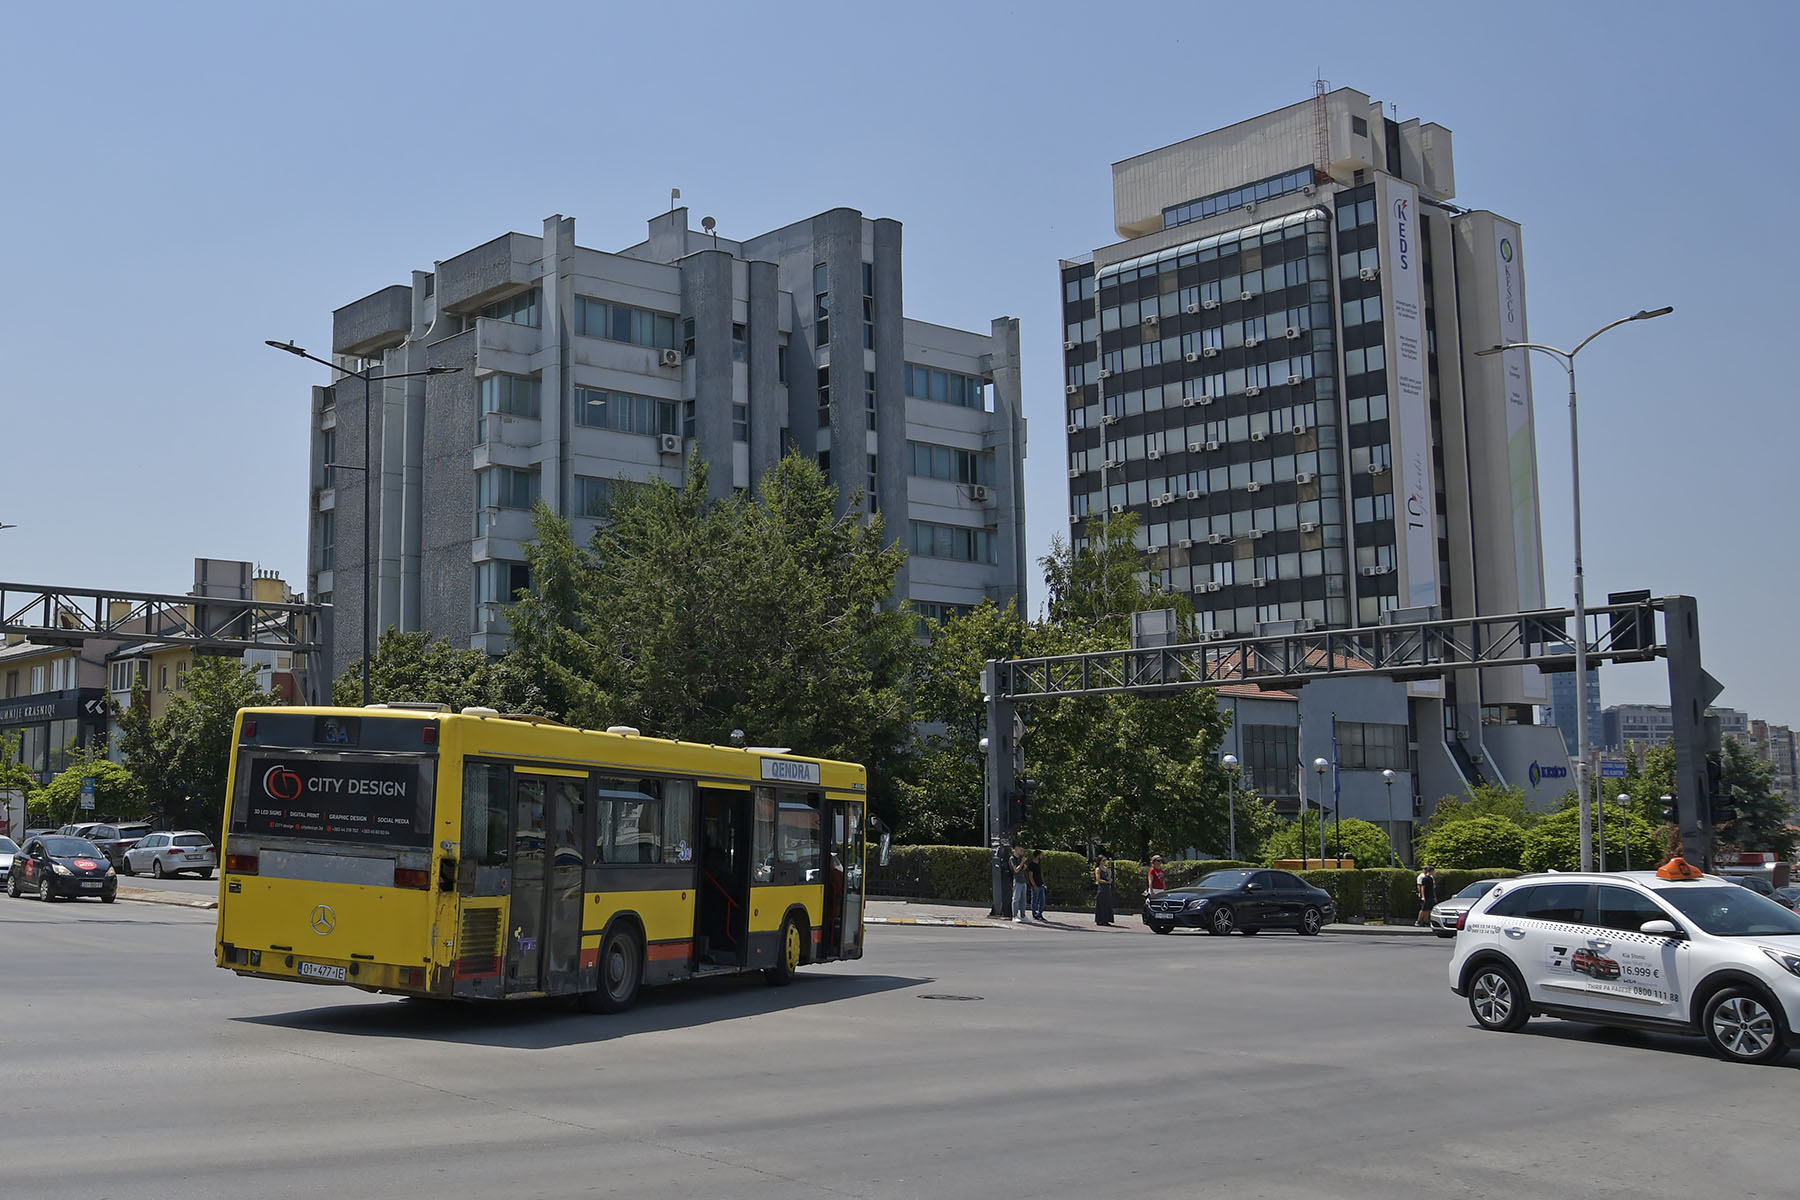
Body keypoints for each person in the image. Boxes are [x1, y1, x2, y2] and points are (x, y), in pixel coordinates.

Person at [1010, 845, 1030, 923]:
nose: (1022, 851)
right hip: (1017, 881)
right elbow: (1016, 870)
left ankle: (1023, 915)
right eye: (1020, 850)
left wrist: (1024, 865)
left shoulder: (1020, 858)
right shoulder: (1012, 858)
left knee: (1023, 900)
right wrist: (1022, 862)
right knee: (1016, 899)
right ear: (1016, 849)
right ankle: (1014, 916)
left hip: (1023, 881)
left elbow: (1022, 868)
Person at [1093, 857, 1115, 926]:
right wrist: (1105, 882)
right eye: (1103, 861)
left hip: (1107, 888)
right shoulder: (1098, 869)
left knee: (1107, 903)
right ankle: (1100, 920)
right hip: (1102, 888)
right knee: (1101, 903)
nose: (1104, 862)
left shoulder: (1106, 869)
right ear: (1099, 861)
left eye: (1105, 861)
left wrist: (1110, 880)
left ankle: (1106, 920)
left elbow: (1108, 877)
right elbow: (1098, 879)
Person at [1028, 850, 1046, 920]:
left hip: (1041, 884)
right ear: (1037, 856)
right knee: (1034, 900)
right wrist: (1034, 885)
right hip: (1035, 885)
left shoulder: (1039, 863)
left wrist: (1043, 882)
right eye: (1041, 855)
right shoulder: (1032, 864)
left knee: (1042, 900)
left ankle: (1040, 913)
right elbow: (1030, 876)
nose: (1042, 856)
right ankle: (1034, 914)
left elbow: (1041, 873)